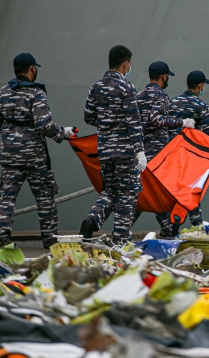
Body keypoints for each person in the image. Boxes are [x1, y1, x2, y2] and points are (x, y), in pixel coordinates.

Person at [0, 53, 76, 249]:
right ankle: (50, 239)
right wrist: (63, 133)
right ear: (32, 69)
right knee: (45, 197)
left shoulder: (3, 93)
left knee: (6, 198)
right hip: (35, 158)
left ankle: (2, 236)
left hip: (10, 157)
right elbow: (44, 125)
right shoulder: (36, 94)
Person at [79, 45, 147, 243]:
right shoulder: (127, 87)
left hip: (105, 151)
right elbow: (134, 122)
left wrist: (107, 124)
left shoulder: (96, 87)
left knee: (110, 190)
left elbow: (88, 117)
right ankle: (121, 240)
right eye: (129, 64)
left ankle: (92, 219)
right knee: (128, 194)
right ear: (125, 64)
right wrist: (140, 151)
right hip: (125, 152)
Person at [131, 61, 195, 238]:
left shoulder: (139, 95)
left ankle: (125, 227)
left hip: (140, 152)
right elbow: (156, 119)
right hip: (156, 153)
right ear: (164, 76)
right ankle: (169, 230)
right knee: (160, 194)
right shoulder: (162, 95)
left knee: (142, 194)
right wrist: (181, 122)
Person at [169, 70, 209, 226]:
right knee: (191, 191)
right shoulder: (201, 105)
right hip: (190, 156)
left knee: (171, 190)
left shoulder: (172, 102)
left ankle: (171, 227)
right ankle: (197, 225)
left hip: (170, 155)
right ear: (200, 86)